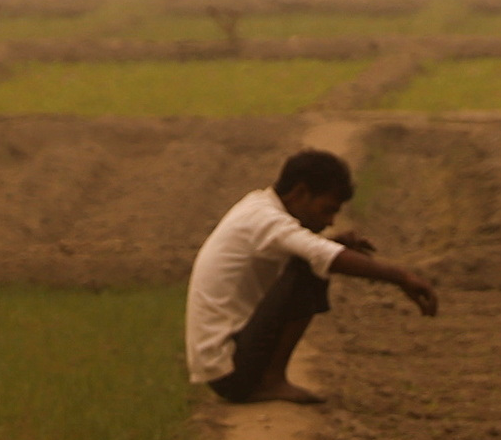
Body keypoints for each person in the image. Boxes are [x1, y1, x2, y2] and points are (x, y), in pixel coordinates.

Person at [181, 145, 439, 406]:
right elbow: (319, 254)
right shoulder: (265, 218)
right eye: (327, 210)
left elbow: (313, 247)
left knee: (310, 260)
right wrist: (402, 278)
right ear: (300, 193)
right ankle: (271, 380)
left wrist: (333, 244)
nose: (330, 221)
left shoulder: (258, 206)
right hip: (231, 372)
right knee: (309, 267)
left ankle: (269, 377)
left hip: (228, 365)